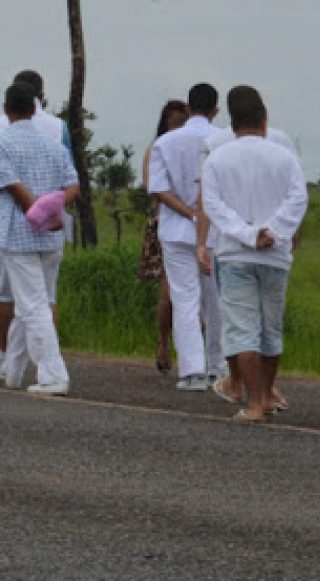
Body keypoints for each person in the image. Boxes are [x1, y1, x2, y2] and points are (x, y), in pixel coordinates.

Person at [202, 85, 307, 421]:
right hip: (275, 254)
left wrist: (248, 234)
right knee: (270, 328)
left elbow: (212, 206)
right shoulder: (285, 157)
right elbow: (298, 200)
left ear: (232, 124)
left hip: (235, 253)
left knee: (241, 327)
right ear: (264, 120)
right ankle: (266, 394)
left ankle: (255, 402)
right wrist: (272, 231)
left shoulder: (217, 158)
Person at [0, 82, 79, 394]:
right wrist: (54, 208)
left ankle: (53, 374)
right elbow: (73, 185)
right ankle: (14, 371)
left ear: (7, 110)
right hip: (52, 236)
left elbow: (13, 185)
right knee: (31, 301)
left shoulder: (2, 142)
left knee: (33, 306)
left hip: (18, 235)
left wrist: (36, 210)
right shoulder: (53, 145)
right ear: (35, 109)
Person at [148, 83, 226, 391]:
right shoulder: (223, 140)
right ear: (215, 110)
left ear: (189, 108)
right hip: (215, 233)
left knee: (184, 300)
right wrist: (203, 215)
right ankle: (218, 368)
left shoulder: (165, 142)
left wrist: (189, 213)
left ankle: (192, 370)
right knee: (215, 300)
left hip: (175, 231)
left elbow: (158, 189)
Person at [140, 100, 188, 375]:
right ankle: (163, 342)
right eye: (174, 123)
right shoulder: (156, 150)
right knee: (169, 295)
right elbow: (152, 187)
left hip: (196, 225)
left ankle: (194, 353)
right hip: (165, 226)